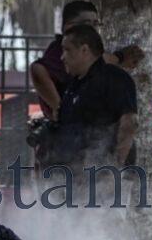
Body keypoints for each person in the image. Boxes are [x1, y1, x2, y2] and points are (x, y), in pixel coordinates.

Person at [30, 0, 145, 123]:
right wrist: (60, 107)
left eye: (95, 24)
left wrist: (119, 59)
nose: (93, 29)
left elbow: (98, 60)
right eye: (87, 24)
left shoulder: (89, 54)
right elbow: (37, 69)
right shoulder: (62, 48)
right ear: (69, 26)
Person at [53, 24, 139, 175]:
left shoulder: (114, 78)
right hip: (73, 176)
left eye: (67, 50)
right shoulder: (73, 86)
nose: (62, 57)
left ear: (84, 50)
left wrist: (114, 169)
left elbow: (129, 124)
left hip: (104, 175)